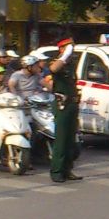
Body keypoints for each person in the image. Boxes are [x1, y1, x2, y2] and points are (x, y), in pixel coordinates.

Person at [46, 40, 81, 181]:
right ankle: (57, 172)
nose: (72, 51)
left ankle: (67, 169)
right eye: (68, 48)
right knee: (61, 139)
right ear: (62, 49)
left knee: (70, 140)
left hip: (72, 104)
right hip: (62, 105)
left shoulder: (71, 64)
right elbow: (53, 69)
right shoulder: (57, 62)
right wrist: (65, 55)